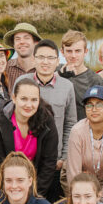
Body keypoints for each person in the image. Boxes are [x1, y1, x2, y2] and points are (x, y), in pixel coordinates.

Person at [0, 79, 61, 200]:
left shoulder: (47, 121)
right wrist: (10, 192)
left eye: (34, 100)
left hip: (38, 187)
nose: (29, 105)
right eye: (24, 99)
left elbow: (49, 162)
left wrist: (35, 194)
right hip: (8, 186)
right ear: (14, 98)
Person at [15, 39, 77, 168]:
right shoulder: (22, 82)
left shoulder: (67, 86)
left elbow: (70, 124)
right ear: (34, 59)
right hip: (22, 157)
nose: (45, 62)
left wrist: (64, 157)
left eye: (50, 58)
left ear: (57, 61)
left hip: (54, 158)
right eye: (41, 57)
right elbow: (12, 118)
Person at [67, 84, 103, 198]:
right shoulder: (77, 131)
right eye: (89, 105)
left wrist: (102, 199)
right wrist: (83, 197)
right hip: (81, 184)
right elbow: (73, 172)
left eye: (99, 105)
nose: (94, 109)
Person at [58, 30, 103, 122]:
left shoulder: (96, 81)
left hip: (82, 131)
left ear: (85, 52)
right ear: (62, 52)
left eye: (78, 51)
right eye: (69, 51)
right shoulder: (54, 72)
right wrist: (59, 74)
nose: (73, 55)